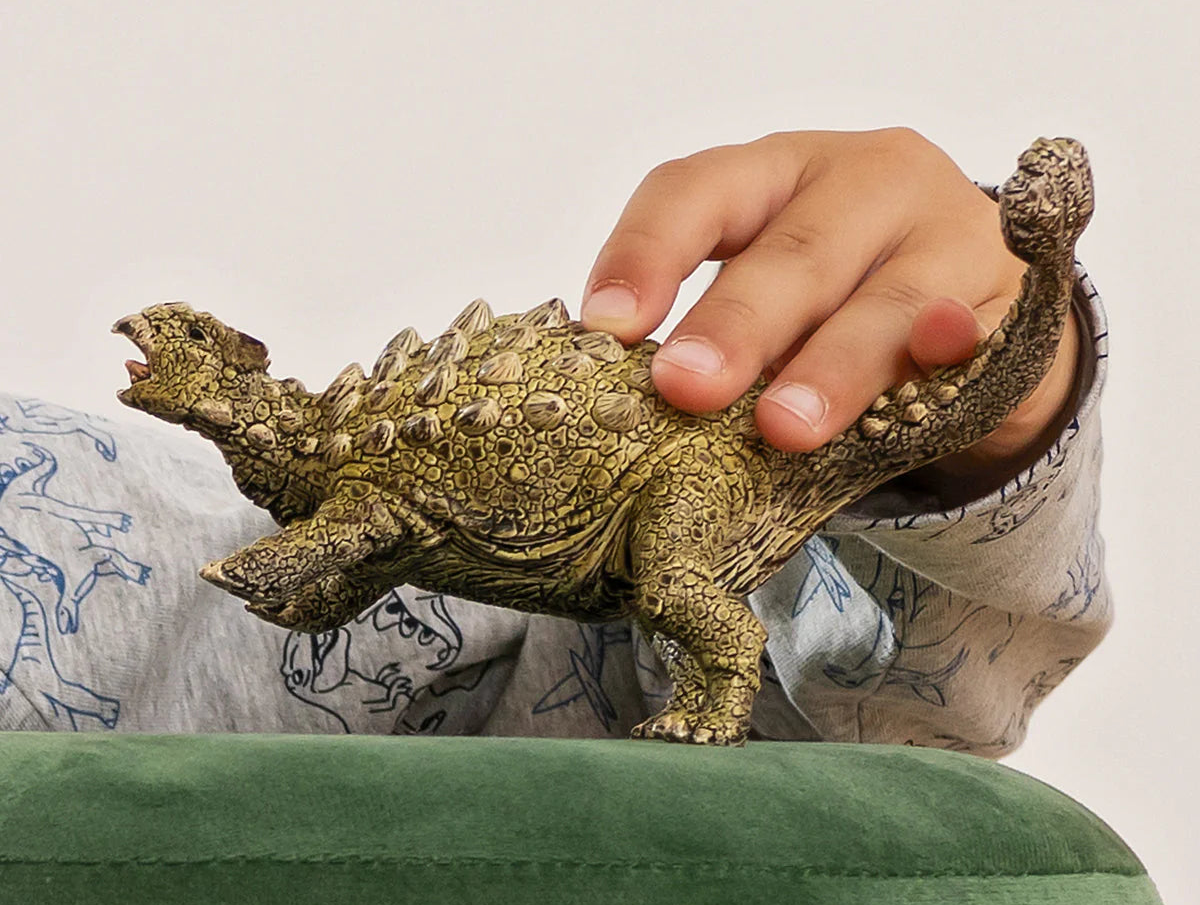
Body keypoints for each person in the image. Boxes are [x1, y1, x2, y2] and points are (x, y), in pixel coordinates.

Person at [0, 128, 1109, 753]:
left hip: (671, 474)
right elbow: (362, 536)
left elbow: (825, 701)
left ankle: (710, 690)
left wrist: (989, 418)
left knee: (680, 591)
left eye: (196, 344)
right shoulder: (333, 483)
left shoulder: (94, 511)